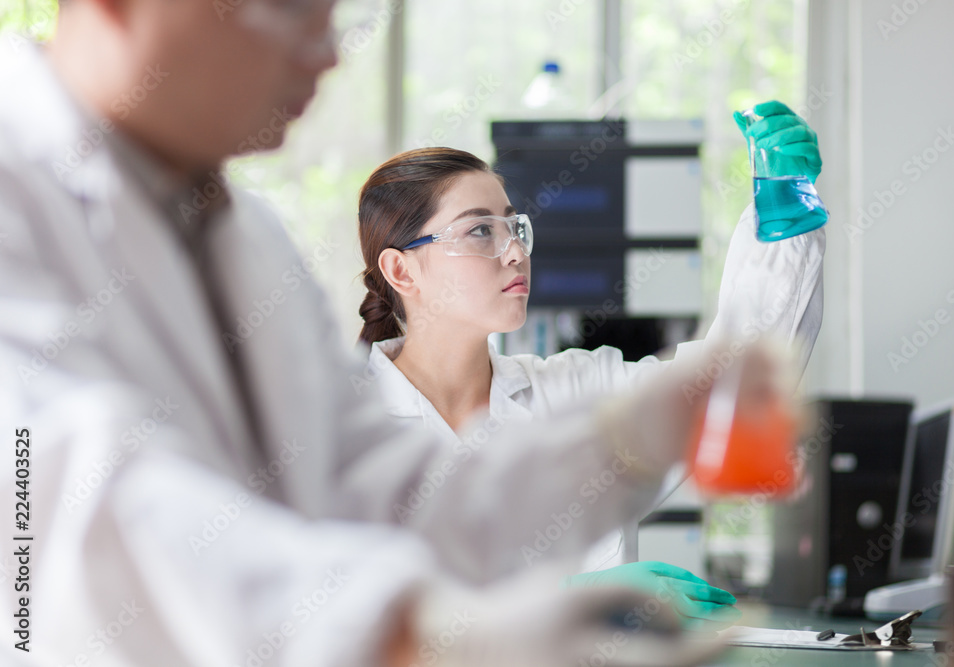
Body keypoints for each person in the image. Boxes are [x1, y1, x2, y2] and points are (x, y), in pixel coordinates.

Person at [0, 0, 790, 665]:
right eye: (288, 9)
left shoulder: (244, 235)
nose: (325, 54)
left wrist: (622, 437)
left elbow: (377, 486)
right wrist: (435, 632)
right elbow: (77, 506)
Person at [355, 128, 825, 623]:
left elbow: (724, 389)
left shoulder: (574, 389)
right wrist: (568, 595)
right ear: (402, 272)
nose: (515, 251)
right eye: (479, 231)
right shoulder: (346, 438)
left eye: (514, 228)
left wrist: (782, 223)